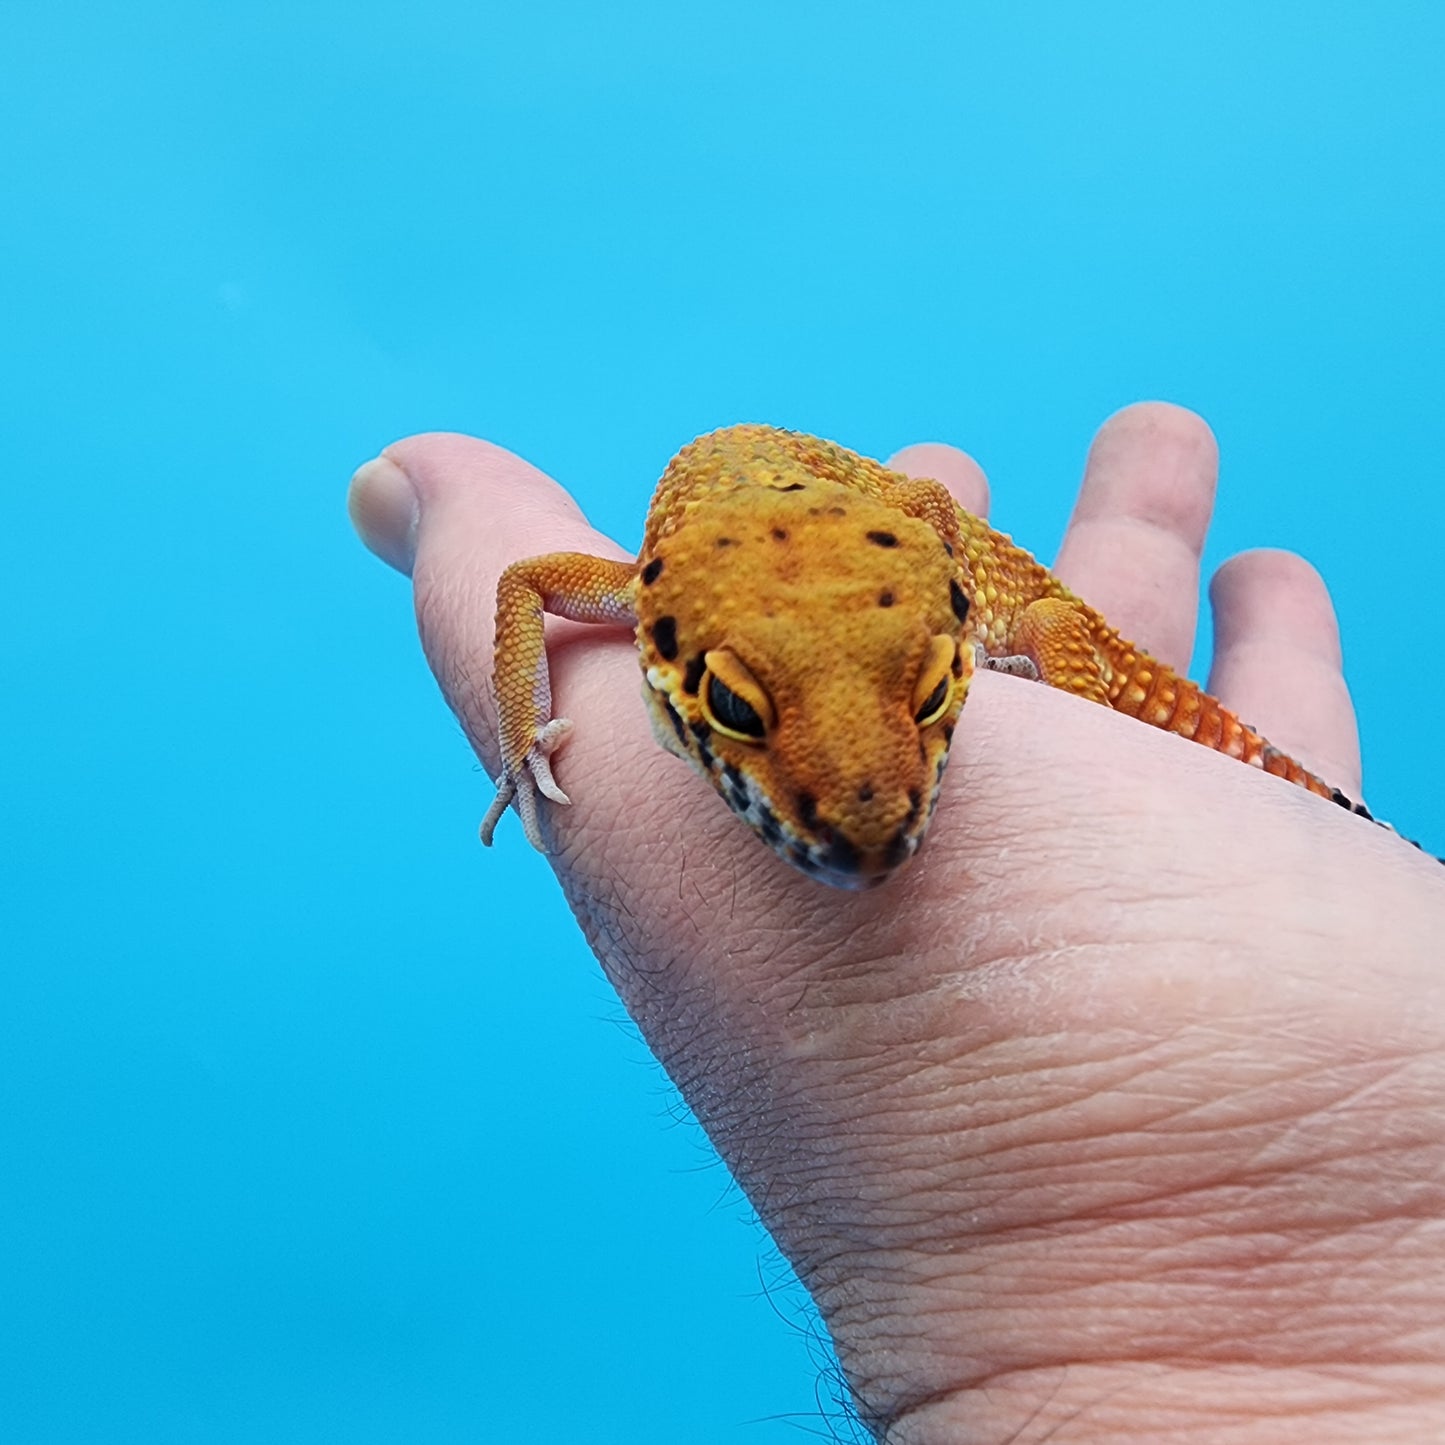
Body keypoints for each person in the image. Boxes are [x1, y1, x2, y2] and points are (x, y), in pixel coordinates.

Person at [350, 404, 1445, 1442]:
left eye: (923, 697)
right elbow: (527, 582)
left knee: (1032, 618)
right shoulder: (646, 585)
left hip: (894, 557)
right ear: (649, 613)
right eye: (738, 710)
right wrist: (524, 728)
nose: (864, 817)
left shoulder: (914, 565)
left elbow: (919, 508)